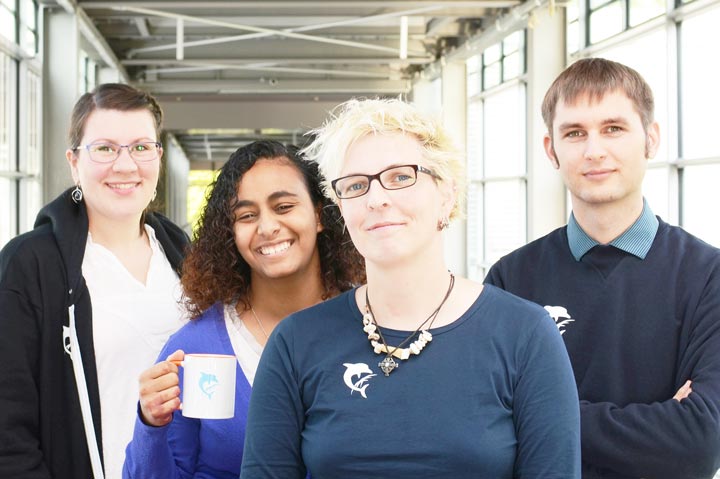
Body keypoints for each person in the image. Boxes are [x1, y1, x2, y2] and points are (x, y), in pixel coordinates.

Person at [240, 98, 580, 479]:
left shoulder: (525, 335)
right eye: (356, 185)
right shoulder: (295, 343)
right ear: (341, 209)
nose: (376, 199)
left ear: (447, 194)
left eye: (401, 177)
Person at [485, 58, 720, 478]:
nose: (594, 150)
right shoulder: (510, 279)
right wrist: (659, 425)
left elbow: (700, 443)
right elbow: (485, 426)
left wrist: (535, 413)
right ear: (551, 150)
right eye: (575, 133)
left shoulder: (708, 276)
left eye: (613, 128)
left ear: (650, 139)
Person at [122, 140, 365, 479]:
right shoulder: (196, 349)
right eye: (247, 215)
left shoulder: (370, 329)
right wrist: (151, 423)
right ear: (230, 234)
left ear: (319, 215)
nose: (267, 227)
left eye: (283, 207)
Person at [0, 84, 189, 479]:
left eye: (141, 147)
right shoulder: (30, 265)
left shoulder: (183, 257)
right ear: (74, 162)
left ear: (158, 156)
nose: (125, 165)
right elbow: (8, 429)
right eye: (105, 148)